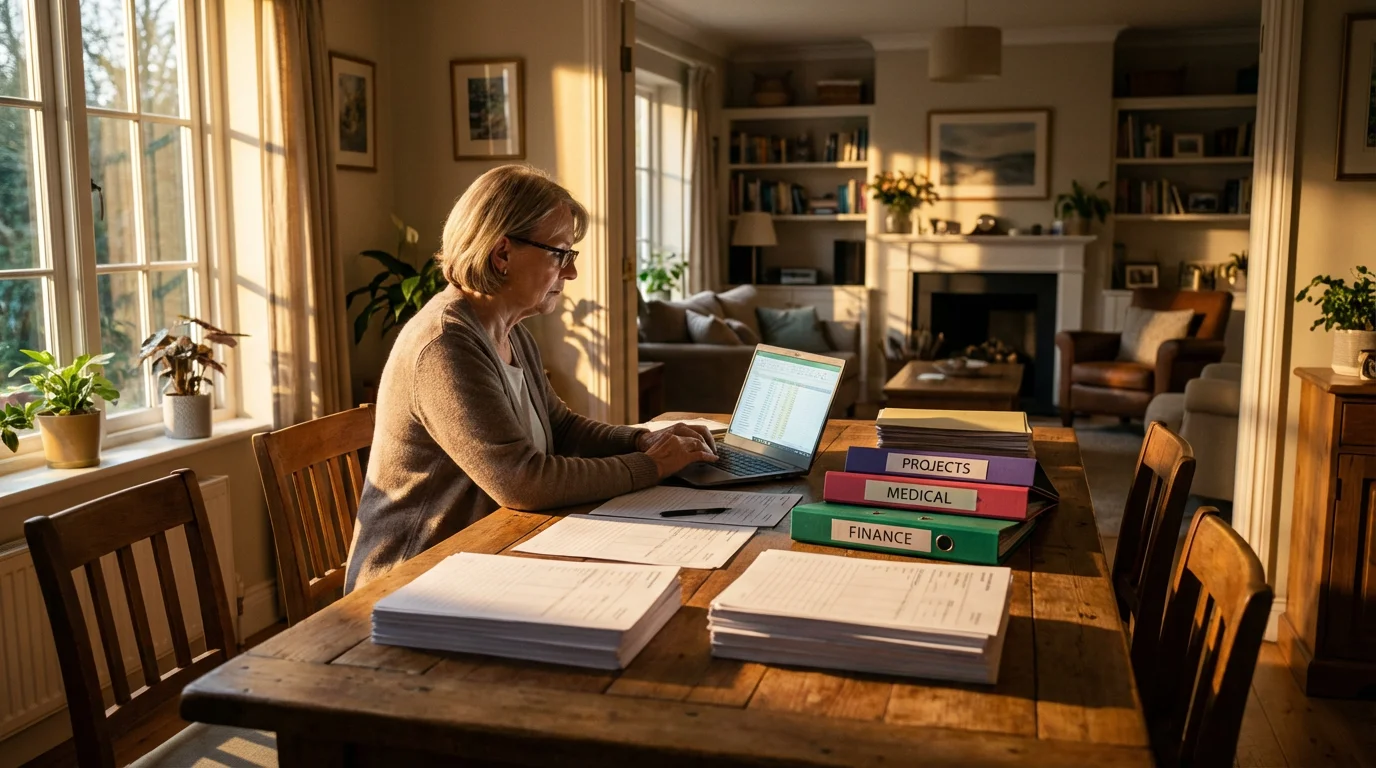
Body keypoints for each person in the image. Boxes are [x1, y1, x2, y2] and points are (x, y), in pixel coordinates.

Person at [345, 165, 717, 592]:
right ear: (502, 254)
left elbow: (561, 427)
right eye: (560, 253)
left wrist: (640, 441)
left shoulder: (509, 330)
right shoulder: (446, 345)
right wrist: (651, 466)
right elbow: (521, 481)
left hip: (486, 556)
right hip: (414, 579)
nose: (571, 272)